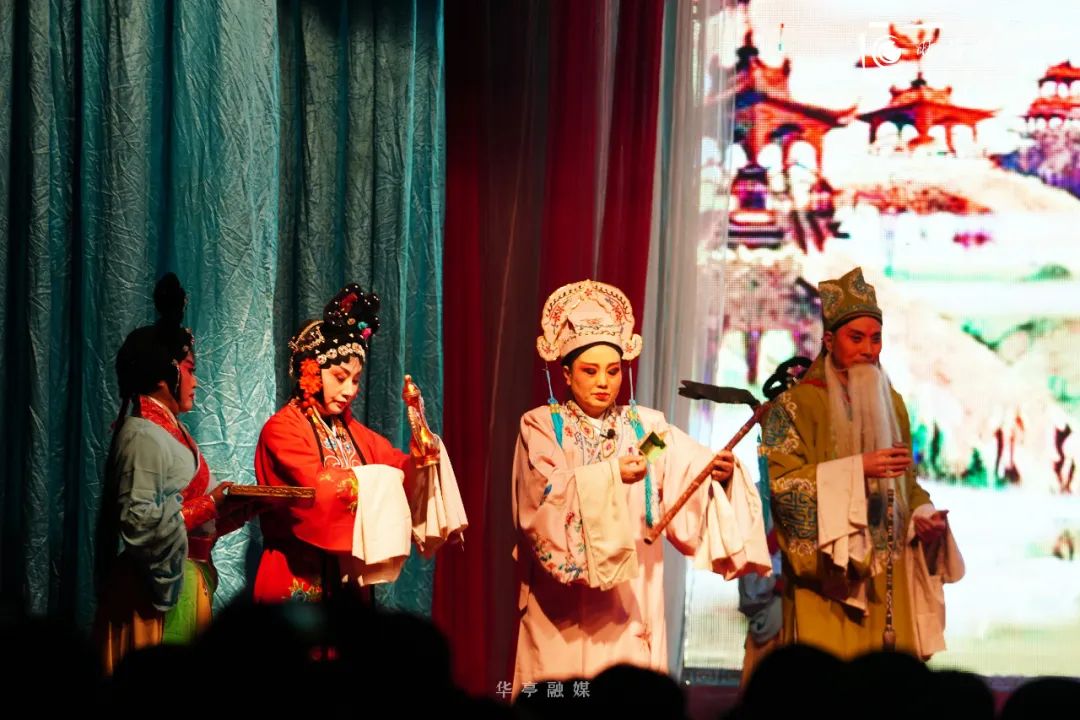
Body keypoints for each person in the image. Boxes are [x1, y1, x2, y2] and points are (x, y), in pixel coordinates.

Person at [512, 279, 771, 692]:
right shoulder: (544, 426)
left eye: (613, 371)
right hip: (563, 603)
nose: (604, 382)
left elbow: (681, 465)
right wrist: (612, 475)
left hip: (630, 594)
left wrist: (718, 474)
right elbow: (543, 496)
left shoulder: (644, 430)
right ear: (566, 373)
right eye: (590, 371)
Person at [760, 266, 964, 660]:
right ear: (830, 340)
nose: (868, 349)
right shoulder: (795, 406)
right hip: (829, 582)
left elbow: (907, 483)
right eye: (856, 338)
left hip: (888, 579)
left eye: (875, 338)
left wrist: (922, 516)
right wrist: (858, 471)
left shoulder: (893, 403)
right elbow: (783, 488)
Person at [253, 282, 466, 603]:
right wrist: (380, 481)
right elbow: (316, 489)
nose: (350, 390)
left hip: (349, 582)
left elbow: (399, 470)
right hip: (295, 575)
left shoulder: (352, 431)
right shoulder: (282, 430)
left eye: (355, 380)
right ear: (310, 371)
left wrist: (421, 458)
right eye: (340, 377)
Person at [95, 273, 256, 673]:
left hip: (187, 578)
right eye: (190, 369)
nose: (196, 381)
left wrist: (237, 511)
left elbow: (193, 524)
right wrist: (213, 503)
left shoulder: (171, 432)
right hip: (152, 592)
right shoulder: (140, 434)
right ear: (165, 374)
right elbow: (140, 523)